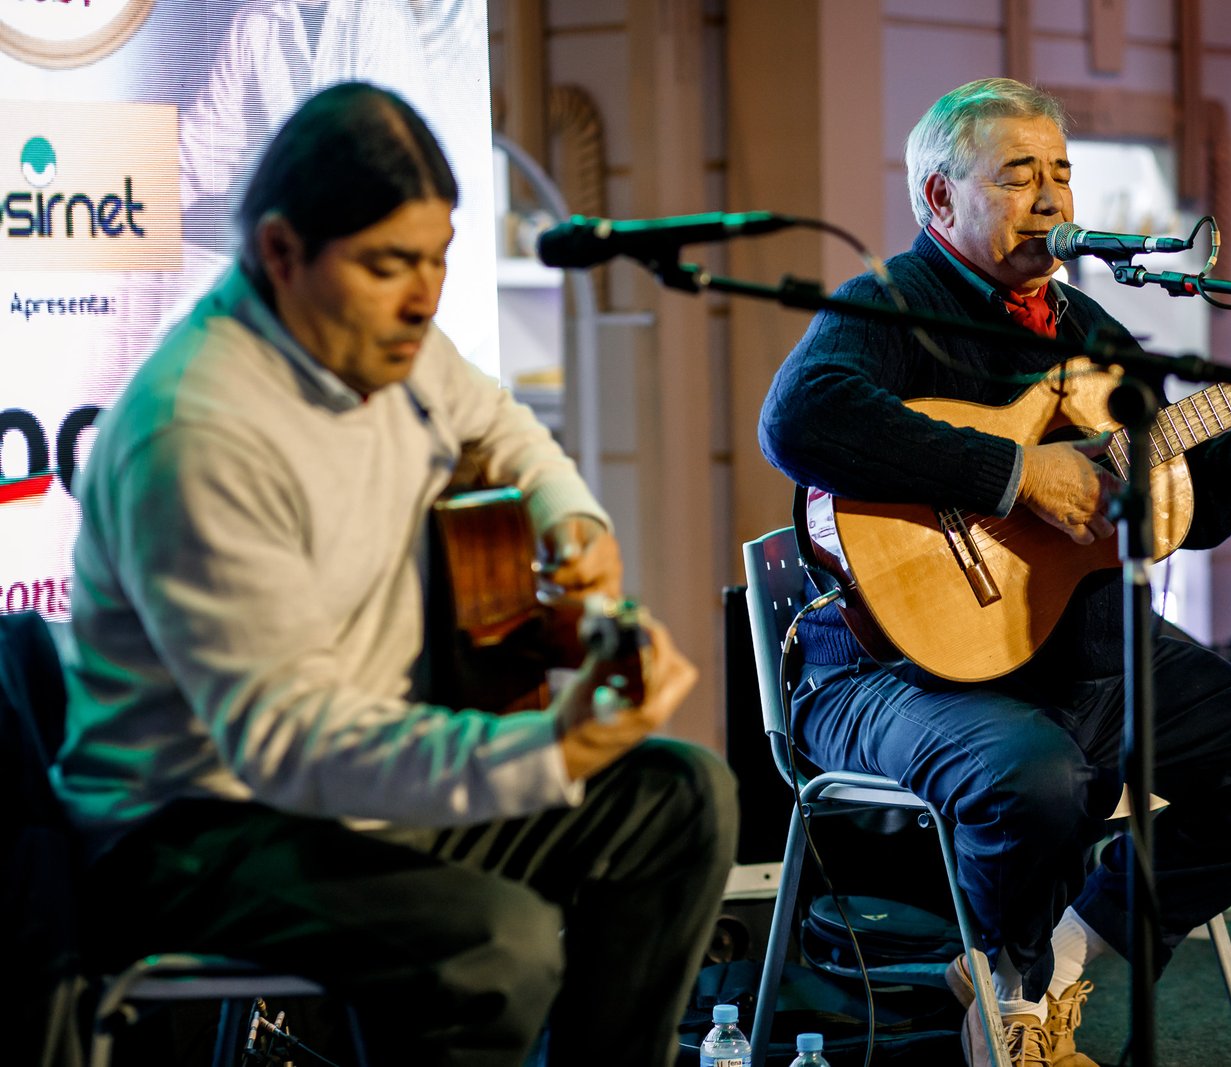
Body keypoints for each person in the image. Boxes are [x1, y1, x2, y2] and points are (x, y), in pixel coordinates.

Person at [52, 82, 737, 1066]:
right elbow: (290, 739)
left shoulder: (393, 345)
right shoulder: (197, 432)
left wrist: (570, 520)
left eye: (436, 261)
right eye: (387, 266)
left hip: (361, 782)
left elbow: (499, 424)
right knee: (492, 945)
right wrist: (549, 748)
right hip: (196, 828)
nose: (423, 297)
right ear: (281, 254)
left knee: (681, 798)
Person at [758, 78, 1231, 1067]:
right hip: (880, 671)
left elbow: (1194, 499)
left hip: (1075, 651)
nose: (1050, 198)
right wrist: (1013, 470)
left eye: (1059, 172)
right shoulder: (884, 304)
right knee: (1031, 774)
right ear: (937, 199)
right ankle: (1016, 993)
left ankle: (1047, 955)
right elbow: (800, 419)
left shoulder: (1086, 327)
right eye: (1017, 175)